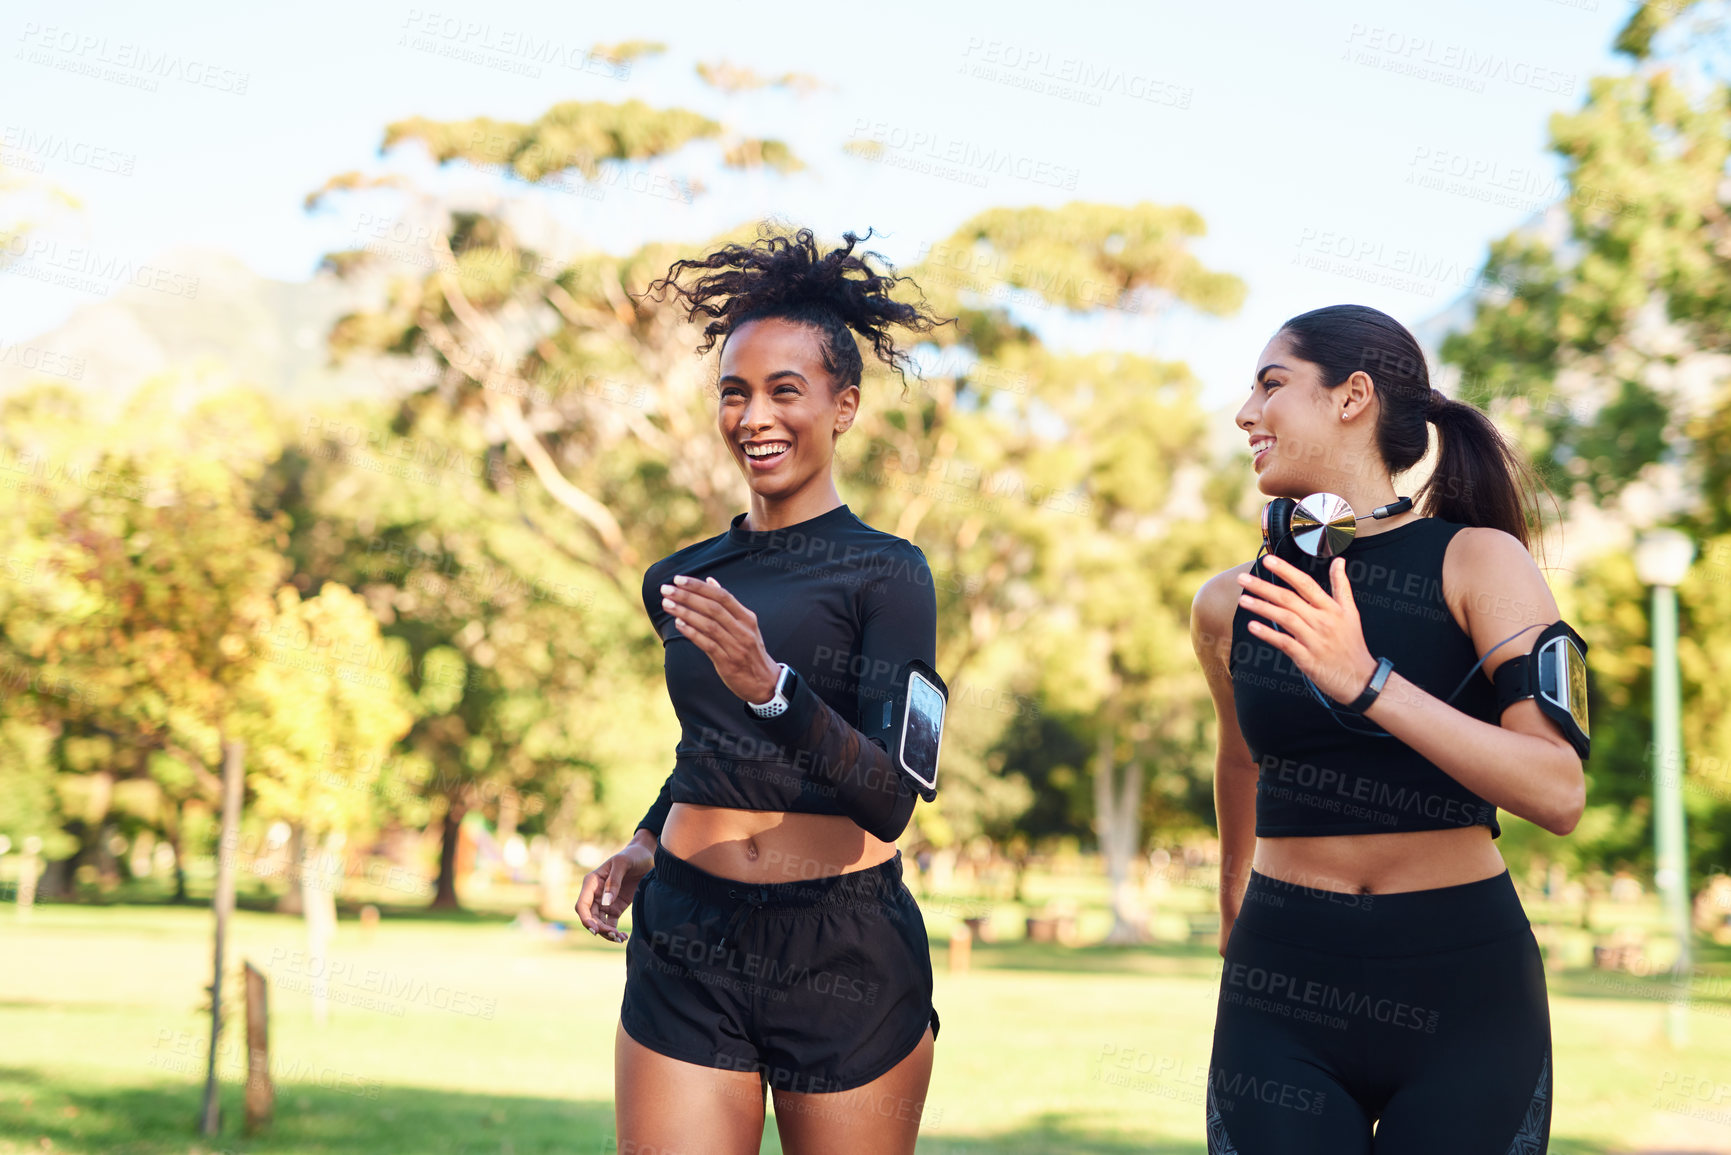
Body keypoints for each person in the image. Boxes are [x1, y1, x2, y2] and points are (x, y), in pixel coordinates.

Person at [574, 226, 949, 1155]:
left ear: (844, 405)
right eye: (734, 393)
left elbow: (891, 798)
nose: (755, 416)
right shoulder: (682, 575)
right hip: (689, 937)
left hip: (845, 950)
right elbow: (706, 750)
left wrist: (771, 687)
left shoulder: (889, 572)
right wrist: (644, 838)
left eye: (786, 390)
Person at [1190, 304, 1586, 1152]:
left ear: (1351, 396)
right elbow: (1238, 761)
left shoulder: (1478, 561)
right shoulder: (1228, 603)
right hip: (1280, 979)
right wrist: (1232, 910)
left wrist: (1368, 682)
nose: (1243, 413)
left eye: (1271, 384)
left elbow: (1556, 789)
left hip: (1464, 988)